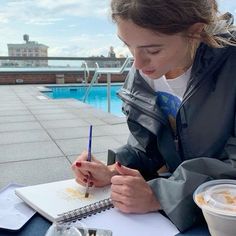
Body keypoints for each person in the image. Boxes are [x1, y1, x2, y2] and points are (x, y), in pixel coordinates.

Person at [72, 0, 236, 232]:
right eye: (128, 46)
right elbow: (148, 147)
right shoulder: (145, 72)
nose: (137, 64)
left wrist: (161, 196)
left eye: (153, 50)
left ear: (195, 32)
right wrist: (113, 171)